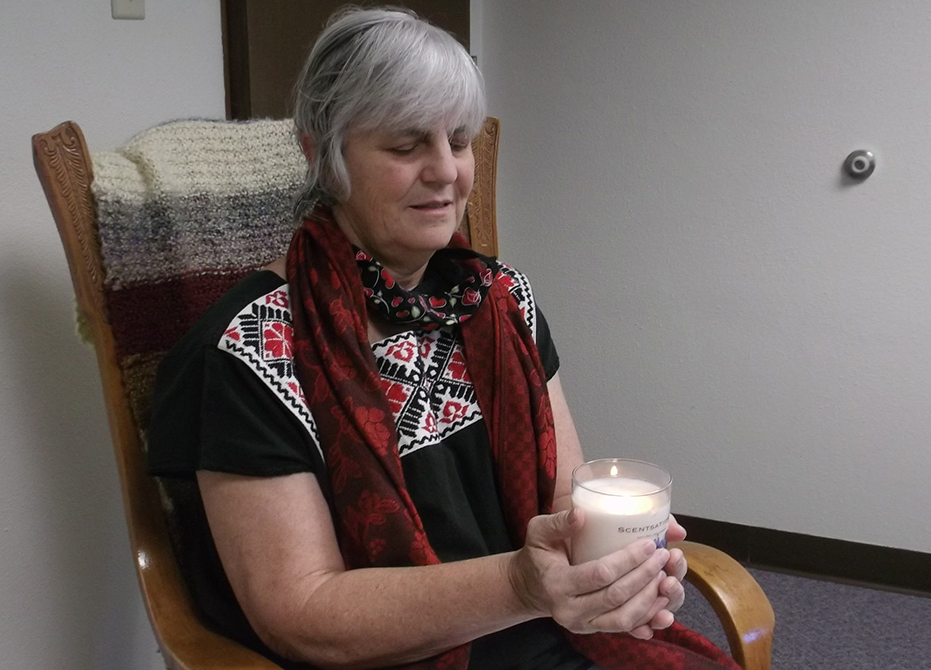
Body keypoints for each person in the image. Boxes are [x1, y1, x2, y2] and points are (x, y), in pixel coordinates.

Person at [147, 7, 735, 670]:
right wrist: (520, 583)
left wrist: (614, 575)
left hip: (548, 635)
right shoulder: (249, 353)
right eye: (404, 146)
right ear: (323, 154)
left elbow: (567, 506)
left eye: (458, 140)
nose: (445, 171)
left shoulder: (504, 303)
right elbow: (304, 615)